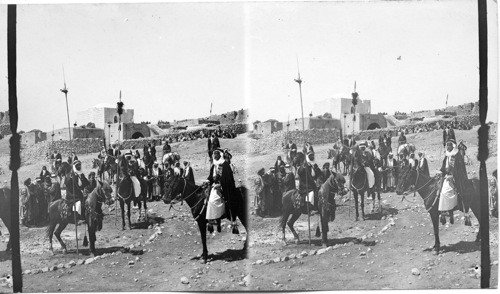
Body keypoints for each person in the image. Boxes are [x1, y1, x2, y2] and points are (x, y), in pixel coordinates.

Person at [438, 138, 468, 225]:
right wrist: (441, 171)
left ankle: (448, 209)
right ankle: (446, 210)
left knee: (445, 192)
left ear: (453, 146)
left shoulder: (457, 155)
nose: (447, 146)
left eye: (449, 145)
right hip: (447, 177)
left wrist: (452, 176)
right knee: (439, 189)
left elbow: (460, 169)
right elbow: (444, 167)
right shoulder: (447, 155)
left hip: (456, 178)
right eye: (447, 145)